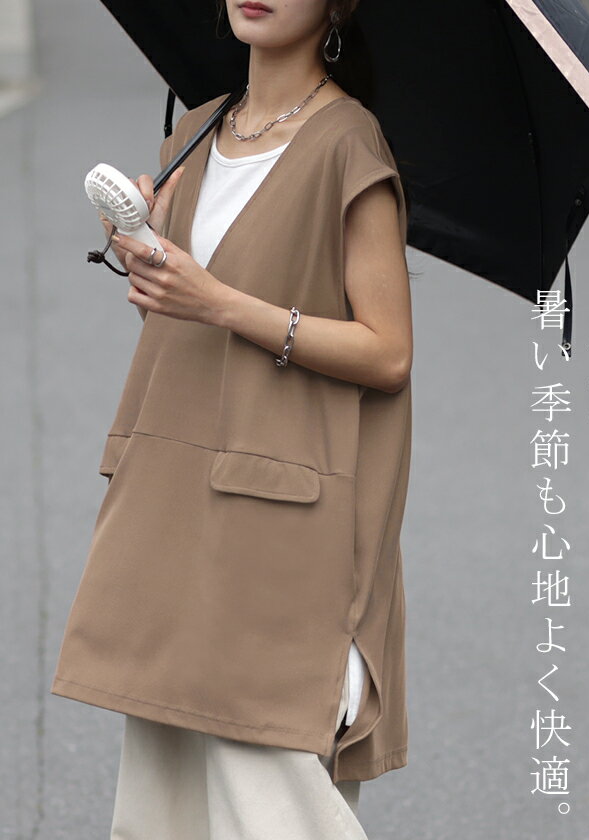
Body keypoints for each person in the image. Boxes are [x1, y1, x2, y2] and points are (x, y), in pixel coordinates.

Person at [52, 1, 413, 837]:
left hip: (284, 519)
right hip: (172, 496)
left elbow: (389, 352)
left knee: (272, 793)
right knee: (165, 799)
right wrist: (146, 247)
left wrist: (218, 300)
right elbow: (180, 321)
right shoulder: (197, 130)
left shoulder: (348, 142)